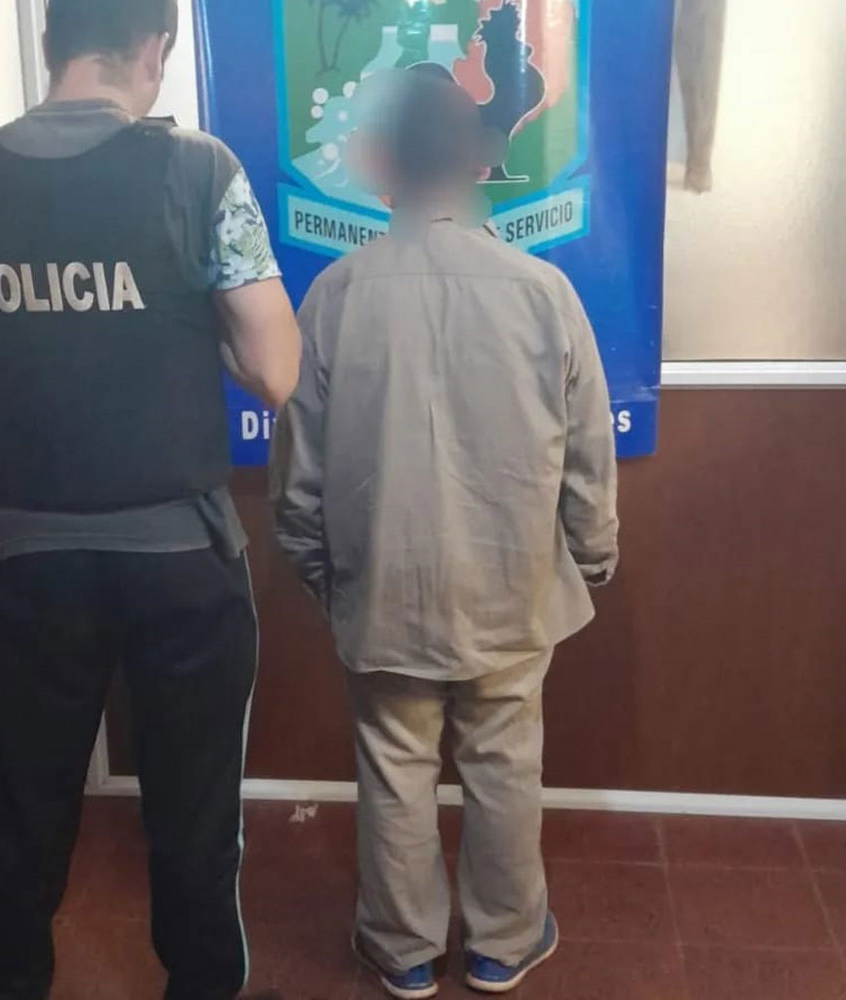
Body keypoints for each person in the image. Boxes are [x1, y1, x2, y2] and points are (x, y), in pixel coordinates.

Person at [0, 1, 300, 997]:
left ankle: (5, 983)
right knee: (195, 811)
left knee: (23, 800)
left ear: (49, 45)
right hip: (179, 558)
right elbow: (277, 371)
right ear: (153, 49)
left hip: (24, 552)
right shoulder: (197, 171)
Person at [270, 69, 618, 999]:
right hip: (513, 590)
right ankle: (504, 943)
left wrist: (326, 578)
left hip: (382, 590)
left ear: (385, 165)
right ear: (480, 162)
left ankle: (403, 951)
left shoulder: (334, 296)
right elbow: (587, 456)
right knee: (505, 765)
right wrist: (590, 558)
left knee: (394, 766)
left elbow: (298, 476)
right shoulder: (544, 292)